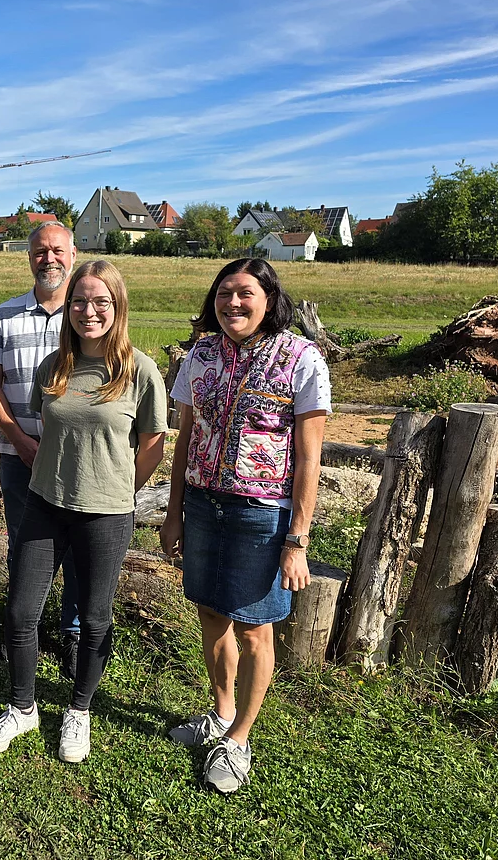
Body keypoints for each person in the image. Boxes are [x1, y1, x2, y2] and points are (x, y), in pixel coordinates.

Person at [0, 260, 167, 763]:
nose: (89, 311)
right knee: (21, 612)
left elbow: (153, 446)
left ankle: (78, 710)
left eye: (101, 301)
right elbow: (52, 429)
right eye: (80, 301)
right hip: (45, 504)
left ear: (118, 306)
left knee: (95, 617)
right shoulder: (54, 366)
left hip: (106, 515)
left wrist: (119, 489)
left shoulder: (140, 370)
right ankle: (22, 707)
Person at [159, 257, 331, 794]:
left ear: (269, 299)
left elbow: (309, 458)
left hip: (262, 513)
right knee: (211, 612)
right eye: (224, 293)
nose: (232, 303)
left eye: (245, 293)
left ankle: (239, 739)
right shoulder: (201, 354)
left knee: (255, 627)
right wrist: (173, 511)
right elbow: (186, 438)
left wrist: (297, 540)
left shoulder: (301, 358)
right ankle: (222, 711)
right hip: (203, 505)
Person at [0, 221, 81, 678]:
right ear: (29, 258)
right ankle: (22, 627)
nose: (49, 259)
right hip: (17, 454)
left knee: (78, 545)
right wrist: (17, 437)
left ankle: (73, 631)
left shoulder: (89, 313)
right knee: (23, 541)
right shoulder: (5, 315)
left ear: (73, 255)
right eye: (40, 251)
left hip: (78, 457)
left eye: (57, 251)